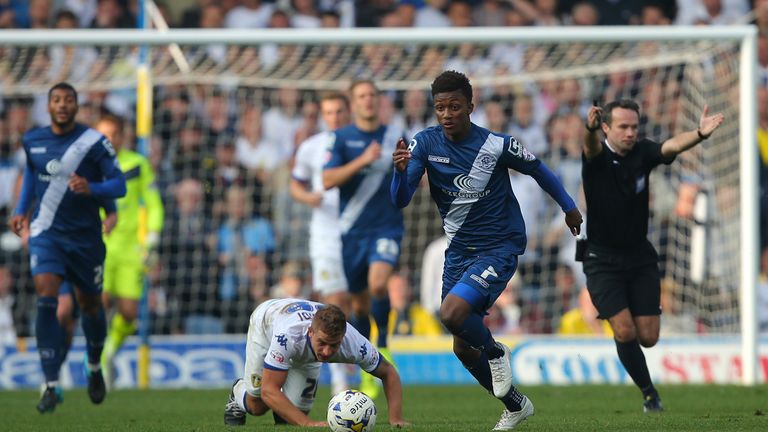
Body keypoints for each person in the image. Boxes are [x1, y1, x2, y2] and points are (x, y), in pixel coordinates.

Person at [391, 70, 582, 431]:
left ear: (470, 107)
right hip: (459, 250)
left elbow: (540, 170)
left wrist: (569, 206)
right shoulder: (425, 144)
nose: (447, 114)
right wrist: (400, 173)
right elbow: (400, 199)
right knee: (461, 347)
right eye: (440, 108)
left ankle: (496, 352)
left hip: (499, 246)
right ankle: (515, 405)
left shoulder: (496, 145)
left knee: (451, 312)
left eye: (454, 106)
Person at [582, 99, 724, 412]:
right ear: (606, 127)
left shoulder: (642, 153)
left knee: (648, 337)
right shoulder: (595, 156)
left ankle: (634, 344)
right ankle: (650, 394)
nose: (630, 132)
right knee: (624, 330)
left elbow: (669, 147)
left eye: (634, 126)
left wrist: (699, 134)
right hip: (601, 259)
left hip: (639, 257)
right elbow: (590, 146)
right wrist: (589, 130)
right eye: (623, 126)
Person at [7, 82, 126, 413]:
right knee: (46, 295)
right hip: (47, 233)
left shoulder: (94, 142)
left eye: (68, 100)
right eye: (56, 100)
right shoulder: (33, 140)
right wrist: (21, 210)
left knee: (90, 305)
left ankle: (93, 363)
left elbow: (119, 185)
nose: (62, 105)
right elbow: (32, 175)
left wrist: (94, 188)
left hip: (86, 239)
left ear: (75, 105)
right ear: (48, 106)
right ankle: (50, 383)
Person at [322, 79, 405, 398]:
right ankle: (368, 362)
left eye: (372, 95)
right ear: (353, 103)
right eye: (361, 96)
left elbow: (412, 177)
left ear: (379, 100)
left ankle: (384, 344)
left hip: (386, 227)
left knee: (380, 284)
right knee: (358, 304)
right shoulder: (341, 139)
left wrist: (406, 171)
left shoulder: (393, 135)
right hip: (352, 231)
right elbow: (327, 180)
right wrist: (362, 161)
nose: (368, 101)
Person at [223, 298, 408, 427]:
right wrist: (306, 423)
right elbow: (268, 390)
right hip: (266, 322)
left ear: (343, 337)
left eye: (334, 345)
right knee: (258, 405)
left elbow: (388, 373)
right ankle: (238, 391)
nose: (327, 352)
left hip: (304, 347)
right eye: (322, 343)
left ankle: (284, 406)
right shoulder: (287, 337)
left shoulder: (355, 343)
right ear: (311, 332)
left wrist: (396, 418)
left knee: (290, 417)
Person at [289, 91, 352, 393]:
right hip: (325, 237)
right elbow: (295, 185)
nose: (335, 117)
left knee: (357, 304)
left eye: (339, 111)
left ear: (348, 112)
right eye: (329, 112)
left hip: (358, 233)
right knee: (335, 302)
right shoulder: (310, 147)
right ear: (322, 115)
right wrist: (306, 197)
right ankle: (340, 381)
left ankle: (363, 363)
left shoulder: (359, 143)